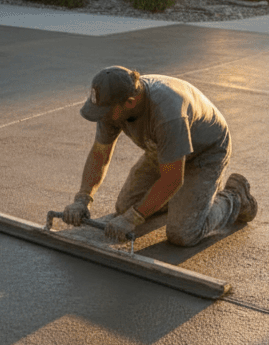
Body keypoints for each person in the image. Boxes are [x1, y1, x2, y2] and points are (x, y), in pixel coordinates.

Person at [62, 66, 257, 247]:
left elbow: (172, 179)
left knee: (183, 232)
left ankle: (235, 197)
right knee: (125, 207)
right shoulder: (112, 106)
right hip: (165, 150)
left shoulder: (167, 112)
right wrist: (82, 198)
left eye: (105, 112)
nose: (101, 117)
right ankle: (185, 200)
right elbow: (99, 154)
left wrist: (134, 218)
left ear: (130, 102)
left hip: (206, 152)